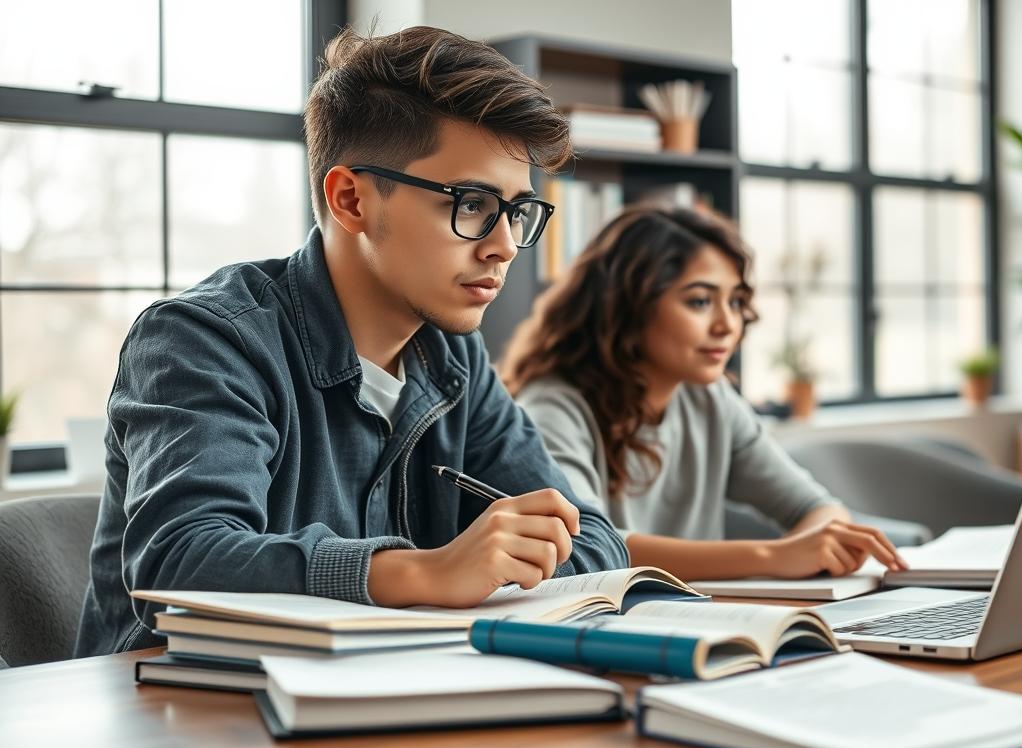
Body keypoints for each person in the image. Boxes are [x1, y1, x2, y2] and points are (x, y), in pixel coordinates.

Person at [74, 26, 628, 658]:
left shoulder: (452, 359)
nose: (503, 245)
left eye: (517, 211)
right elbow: (181, 558)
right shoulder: (204, 340)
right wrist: (424, 573)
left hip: (380, 696)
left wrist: (507, 559)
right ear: (350, 198)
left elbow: (592, 538)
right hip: (176, 714)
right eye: (472, 203)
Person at [499, 205, 906, 582]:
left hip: (705, 617)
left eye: (735, 301)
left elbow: (816, 507)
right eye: (699, 301)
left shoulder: (711, 398)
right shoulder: (553, 407)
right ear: (628, 306)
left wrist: (820, 547)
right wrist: (772, 557)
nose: (728, 325)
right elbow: (586, 546)